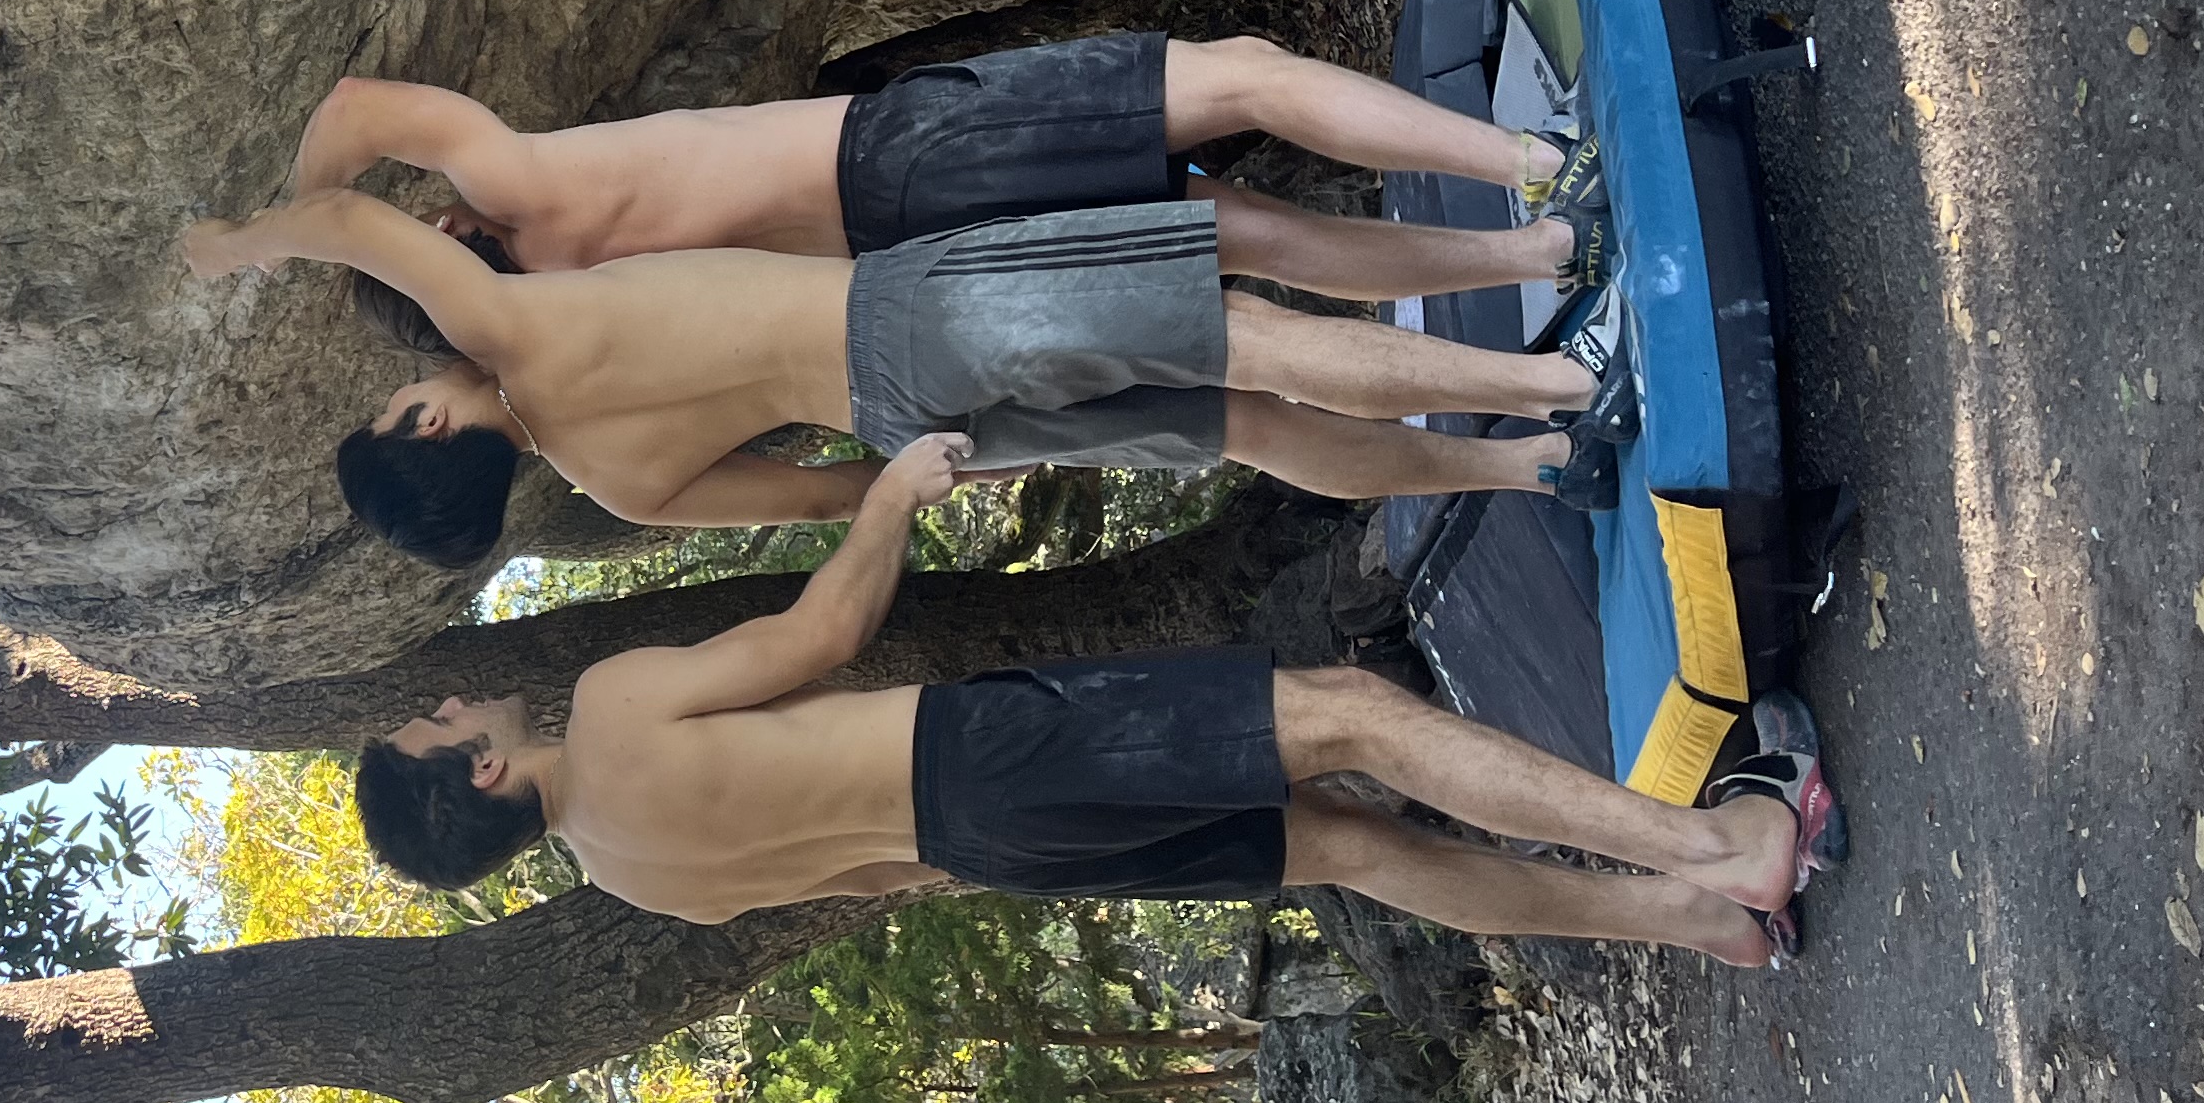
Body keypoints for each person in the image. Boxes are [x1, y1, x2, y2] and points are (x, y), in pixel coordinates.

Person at [352, 435, 1844, 965]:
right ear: (477, 775)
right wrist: (890, 495)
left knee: (1346, 845)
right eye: (444, 723)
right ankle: (1723, 849)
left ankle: (1699, 926)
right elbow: (822, 631)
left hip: (991, 849)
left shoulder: (636, 877)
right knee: (1345, 714)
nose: (464, 696)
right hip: (987, 755)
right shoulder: (609, 712)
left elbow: (871, 878)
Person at [176, 180, 1623, 570]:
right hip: (911, 316)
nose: (413, 381)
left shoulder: (614, 484)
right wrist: (236, 244)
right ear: (429, 424)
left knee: (1239, 423)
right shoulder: (510, 325)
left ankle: (1532, 468)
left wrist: (912, 453)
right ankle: (1566, 385)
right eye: (398, 403)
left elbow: (825, 502)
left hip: (910, 423)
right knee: (1231, 328)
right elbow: (352, 218)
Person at [284, 36, 1594, 360]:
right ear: (435, 238)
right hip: (902, 149)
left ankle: (1542, 253)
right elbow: (354, 107)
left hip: (912, 256)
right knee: (1241, 78)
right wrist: (294, 220)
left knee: (1243, 237)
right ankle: (1537, 167)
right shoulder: (514, 181)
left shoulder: (578, 314)